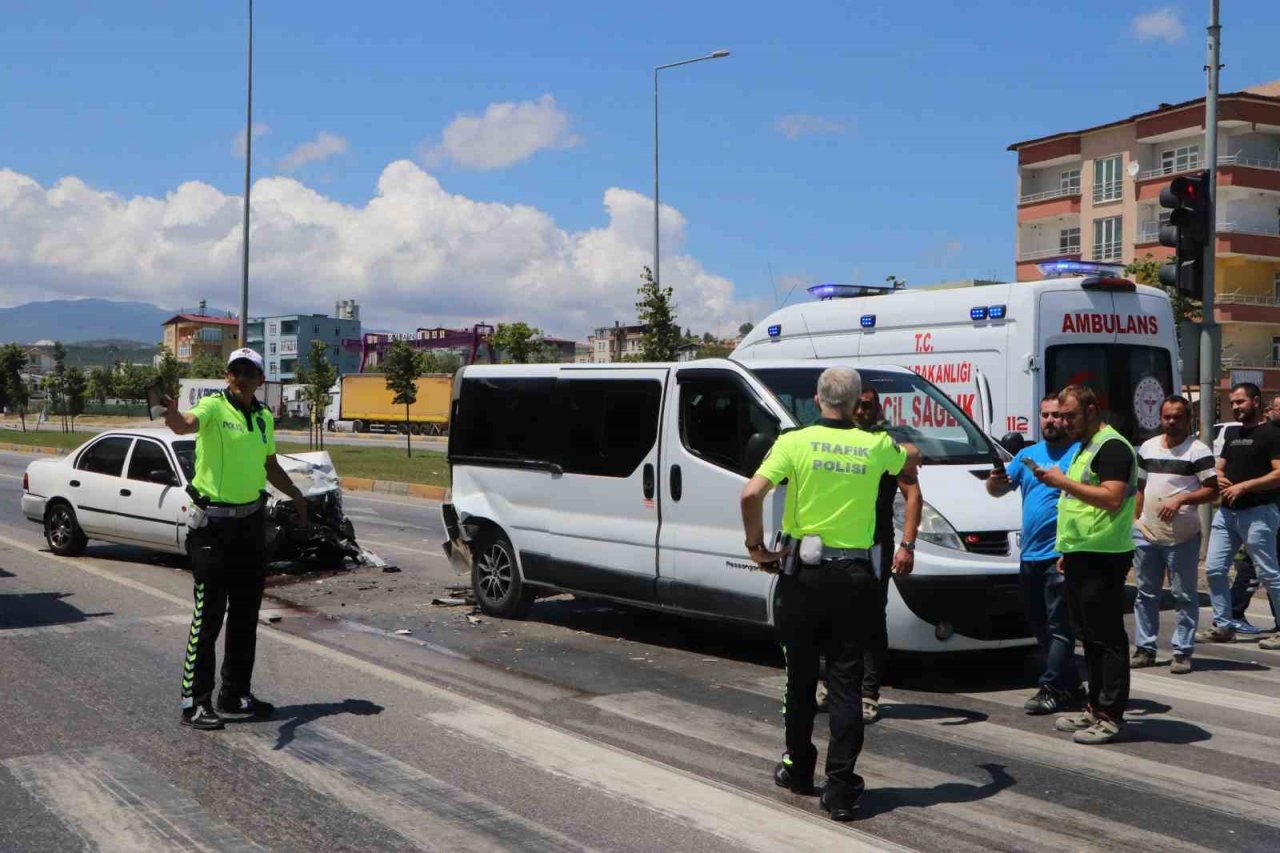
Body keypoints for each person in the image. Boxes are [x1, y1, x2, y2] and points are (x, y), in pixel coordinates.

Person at [740, 367, 919, 821]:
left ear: (818, 399)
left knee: (799, 679)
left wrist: (757, 548)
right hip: (855, 578)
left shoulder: (793, 442)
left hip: (803, 577)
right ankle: (840, 789)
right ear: (858, 399)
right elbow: (910, 463)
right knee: (845, 683)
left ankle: (799, 768)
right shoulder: (876, 445)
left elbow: (751, 494)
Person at [164, 348, 310, 730]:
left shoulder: (262, 418)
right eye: (236, 371)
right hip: (212, 526)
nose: (242, 377)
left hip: (249, 526)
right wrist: (175, 418)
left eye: (250, 372)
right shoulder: (214, 407)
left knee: (245, 616)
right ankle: (194, 703)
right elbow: (186, 425)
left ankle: (234, 694)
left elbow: (269, 465)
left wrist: (295, 495)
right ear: (226, 375)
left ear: (261, 379)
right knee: (208, 617)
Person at [1034, 385, 1136, 745]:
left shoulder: (1111, 447)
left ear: (1092, 410)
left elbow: (1111, 498)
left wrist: (1061, 481)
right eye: (1059, 416)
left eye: (1070, 415)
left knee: (1107, 638)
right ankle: (1095, 707)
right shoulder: (1086, 446)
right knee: (1090, 637)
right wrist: (1068, 550)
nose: (1063, 422)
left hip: (1104, 555)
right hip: (1083, 552)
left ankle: (1111, 715)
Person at [986, 393, 1083, 715]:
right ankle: (1071, 686)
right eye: (1045, 415)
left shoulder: (1077, 454)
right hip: (1029, 555)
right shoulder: (1027, 454)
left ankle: (1052, 686)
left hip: (1060, 555)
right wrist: (995, 482)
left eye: (1057, 415)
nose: (1051, 421)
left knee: (1059, 625)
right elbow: (999, 490)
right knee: (1038, 624)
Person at [1130, 396, 1217, 674]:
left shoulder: (1198, 451)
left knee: (1184, 595)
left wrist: (1181, 500)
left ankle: (1182, 650)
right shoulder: (1148, 447)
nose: (1171, 421)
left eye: (1177, 416)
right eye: (1166, 416)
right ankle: (1145, 648)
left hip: (1182, 537)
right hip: (1147, 533)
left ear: (1188, 418)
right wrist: (1134, 519)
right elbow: (1140, 487)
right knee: (1145, 593)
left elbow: (1212, 490)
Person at [853, 386, 921, 724]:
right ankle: (829, 683)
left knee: (871, 617)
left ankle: (868, 693)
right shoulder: (836, 441)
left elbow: (912, 493)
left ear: (877, 408)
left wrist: (907, 546)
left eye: (868, 405)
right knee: (829, 613)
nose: (862, 411)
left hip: (875, 543)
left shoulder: (887, 445)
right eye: (858, 405)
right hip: (836, 542)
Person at [1198, 383, 1280, 650]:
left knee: (1269, 574)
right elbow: (1219, 468)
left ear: (1256, 402)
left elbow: (1278, 474)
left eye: (1240, 402)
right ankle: (1224, 625)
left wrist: (1244, 486)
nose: (1235, 407)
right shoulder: (1232, 434)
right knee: (1214, 569)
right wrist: (1219, 478)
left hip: (1259, 513)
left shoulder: (1271, 434)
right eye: (1233, 402)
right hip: (1226, 514)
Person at [1225, 394, 1280, 635]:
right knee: (1255, 564)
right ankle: (1233, 614)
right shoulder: (1266, 435)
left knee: (1266, 566)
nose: (1272, 412)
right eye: (1273, 407)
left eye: (1275, 408)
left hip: (1267, 508)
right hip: (1264, 507)